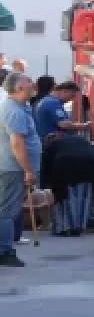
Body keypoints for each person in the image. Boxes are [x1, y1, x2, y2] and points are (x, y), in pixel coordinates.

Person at [0, 73, 41, 267]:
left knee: (8, 208)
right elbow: (17, 144)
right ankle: (4, 251)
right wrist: (28, 170)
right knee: (7, 211)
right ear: (18, 88)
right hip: (12, 168)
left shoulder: (21, 107)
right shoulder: (13, 110)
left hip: (13, 167)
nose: (33, 84)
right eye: (28, 81)